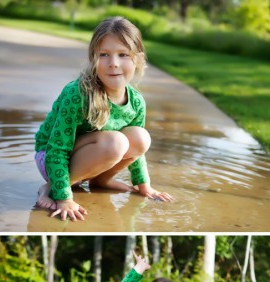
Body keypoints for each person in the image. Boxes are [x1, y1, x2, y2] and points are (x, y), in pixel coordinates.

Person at [34, 16, 172, 222]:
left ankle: (100, 181)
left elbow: (138, 151)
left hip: (95, 153)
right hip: (52, 157)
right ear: (94, 58)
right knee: (116, 142)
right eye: (104, 55)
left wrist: (144, 185)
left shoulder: (136, 102)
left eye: (123, 55)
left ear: (138, 59)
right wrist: (63, 197)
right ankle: (53, 186)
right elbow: (57, 148)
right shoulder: (78, 94)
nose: (113, 64)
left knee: (141, 137)